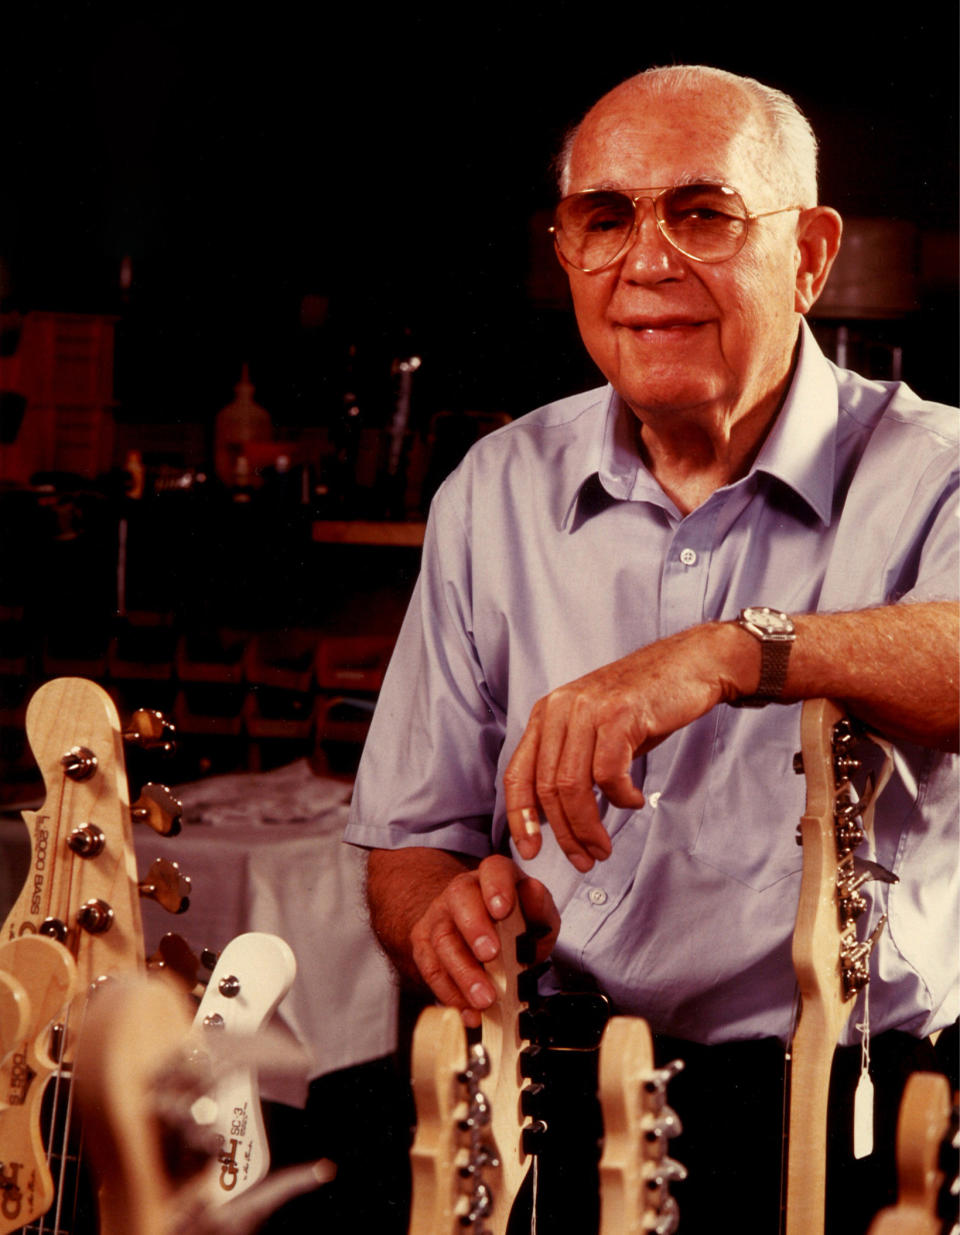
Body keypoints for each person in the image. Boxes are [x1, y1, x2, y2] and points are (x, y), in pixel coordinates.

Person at [344, 64, 958, 1233]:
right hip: (558, 1094)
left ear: (812, 254)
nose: (648, 260)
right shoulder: (494, 489)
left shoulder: (939, 470)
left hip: (859, 1106)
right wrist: (444, 917)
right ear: (567, 251)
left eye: (703, 212)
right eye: (604, 217)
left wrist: (727, 653)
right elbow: (408, 845)